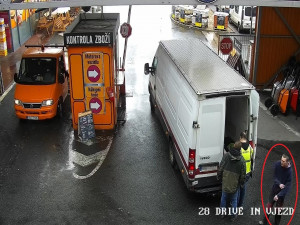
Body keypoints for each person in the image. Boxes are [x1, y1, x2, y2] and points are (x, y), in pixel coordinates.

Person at [259, 154, 293, 225]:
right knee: (269, 206)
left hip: (281, 194)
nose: (281, 162)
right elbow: (275, 176)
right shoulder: (278, 164)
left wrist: (279, 195)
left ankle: (276, 223)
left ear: (288, 162)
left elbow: (287, 187)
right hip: (274, 189)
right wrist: (279, 183)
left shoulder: (289, 172)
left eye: (283, 161)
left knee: (278, 210)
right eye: (281, 160)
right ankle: (264, 221)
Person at [217, 141, 246, 221]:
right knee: (234, 200)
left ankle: (222, 213)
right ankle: (233, 215)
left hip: (225, 182)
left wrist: (219, 177)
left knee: (224, 198)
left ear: (233, 146)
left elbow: (221, 167)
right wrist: (241, 183)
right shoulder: (242, 161)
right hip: (235, 184)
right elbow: (243, 175)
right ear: (240, 149)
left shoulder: (226, 156)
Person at [238, 131, 254, 208]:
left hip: (240, 172)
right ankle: (241, 204)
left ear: (240, 138)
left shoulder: (239, 148)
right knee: (243, 188)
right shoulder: (250, 147)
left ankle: (236, 203)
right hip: (247, 172)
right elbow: (251, 157)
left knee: (237, 188)